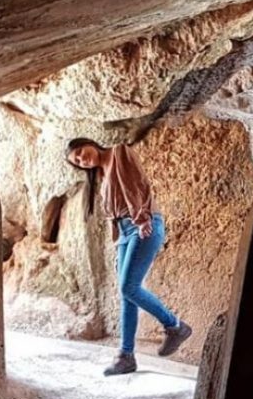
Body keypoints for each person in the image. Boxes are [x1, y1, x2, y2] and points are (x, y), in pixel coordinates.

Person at [66, 138, 191, 376]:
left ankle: (175, 326)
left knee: (128, 288)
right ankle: (126, 357)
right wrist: (118, 247)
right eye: (78, 161)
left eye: (81, 152)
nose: (83, 160)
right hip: (124, 233)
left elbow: (137, 185)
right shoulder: (102, 175)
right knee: (127, 296)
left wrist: (142, 217)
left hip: (143, 224)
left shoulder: (118, 152)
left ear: (90, 143)